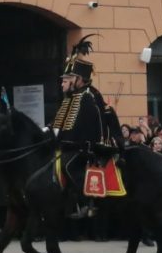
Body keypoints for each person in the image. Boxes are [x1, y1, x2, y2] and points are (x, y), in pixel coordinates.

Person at [50, 36, 122, 217]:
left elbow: (93, 125)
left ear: (78, 79)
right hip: (70, 145)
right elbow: (61, 123)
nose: (63, 83)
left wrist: (86, 144)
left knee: (68, 166)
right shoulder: (73, 97)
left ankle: (87, 201)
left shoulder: (89, 96)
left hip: (88, 147)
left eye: (67, 79)